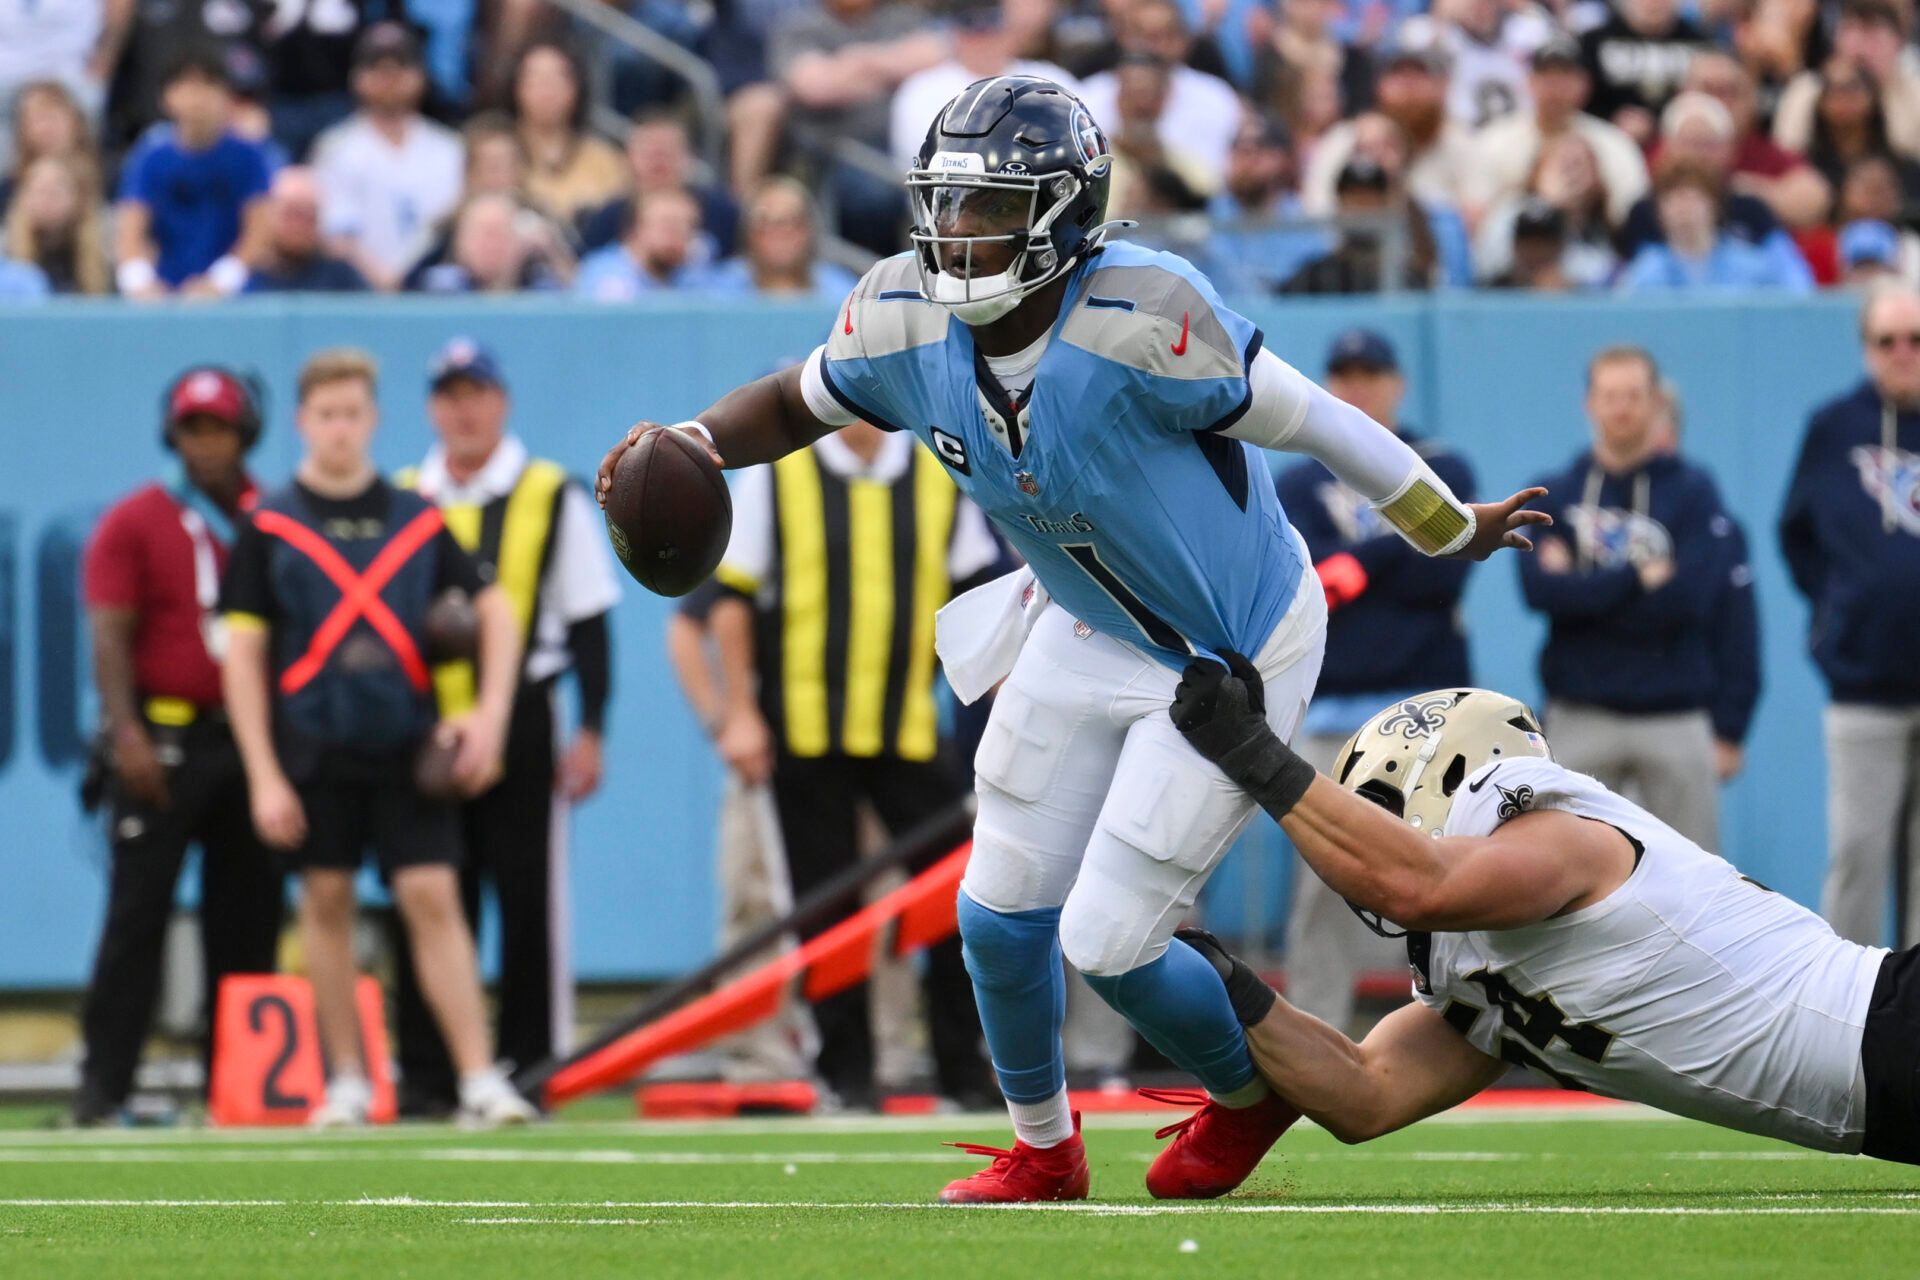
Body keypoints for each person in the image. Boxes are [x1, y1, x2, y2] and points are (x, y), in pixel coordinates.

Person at [594, 75, 1543, 1202]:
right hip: (1086, 623)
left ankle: (1253, 1094)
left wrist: (1445, 527)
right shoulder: (906, 315)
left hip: (1229, 645)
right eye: (945, 205)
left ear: (1062, 212)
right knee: (994, 911)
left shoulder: (1150, 316)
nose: (955, 234)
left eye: (987, 209)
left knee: (1109, 938)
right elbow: (799, 403)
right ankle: (1045, 1147)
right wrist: (691, 440)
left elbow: (1324, 423)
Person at [1161, 665, 1920, 1167]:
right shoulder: (1481, 976)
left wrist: (1253, 753)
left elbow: (1412, 885)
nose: (1369, 840)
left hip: (1894, 1025)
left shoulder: (1562, 840)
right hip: (1888, 1098)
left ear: (1447, 772)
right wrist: (1236, 988)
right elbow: (1366, 1092)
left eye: (1384, 810)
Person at [219, 348, 535, 1128]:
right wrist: (263, 774)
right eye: (325, 415)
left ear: (373, 420)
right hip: (312, 746)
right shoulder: (269, 524)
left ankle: (477, 1078)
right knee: (324, 899)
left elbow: (495, 611)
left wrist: (489, 716)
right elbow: (243, 653)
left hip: (405, 741)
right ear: (302, 423)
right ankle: (348, 1082)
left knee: (432, 896)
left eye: (352, 414)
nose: (339, 429)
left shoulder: (416, 515)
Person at [702, 417, 1004, 1109]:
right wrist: (741, 711)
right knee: (826, 908)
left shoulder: (938, 475)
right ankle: (847, 1075)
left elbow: (982, 595)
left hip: (908, 729)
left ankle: (963, 1067)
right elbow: (731, 600)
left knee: (958, 897)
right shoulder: (780, 477)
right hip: (804, 734)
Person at [389, 339, 621, 1115]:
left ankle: (528, 1065)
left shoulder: (548, 493)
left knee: (527, 898)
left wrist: (591, 728)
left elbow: (588, 620)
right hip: (423, 723)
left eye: (476, 392)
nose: (464, 408)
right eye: (449, 394)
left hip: (523, 713)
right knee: (423, 894)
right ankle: (425, 1074)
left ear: (503, 401)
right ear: (431, 407)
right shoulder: (400, 497)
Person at [71, 367, 285, 1126]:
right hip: (161, 738)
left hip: (249, 739)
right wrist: (124, 729)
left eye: (219, 429)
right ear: (175, 435)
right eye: (193, 429)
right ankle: (105, 1088)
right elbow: (109, 631)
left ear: (243, 434)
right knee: (137, 916)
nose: (206, 444)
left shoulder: (274, 517)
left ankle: (239, 1085)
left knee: (249, 915)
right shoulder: (135, 520)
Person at [1273, 329, 1475, 1034]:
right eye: (1344, 373)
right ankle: (1313, 1034)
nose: (1358, 385)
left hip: (1432, 707)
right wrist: (1396, 547)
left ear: (1398, 383)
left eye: (1371, 372)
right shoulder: (1297, 478)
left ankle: (1460, 1029)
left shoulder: (1441, 464)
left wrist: (1362, 564)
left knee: (1453, 874)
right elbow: (1306, 580)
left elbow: (1443, 566)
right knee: (1326, 881)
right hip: (1332, 707)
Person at [1517, 345, 1737, 851]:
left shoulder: (1695, 491)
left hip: (1675, 716)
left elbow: (1693, 599)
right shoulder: (1555, 494)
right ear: (1588, 403)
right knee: (1570, 878)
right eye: (1610, 395)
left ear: (1657, 403)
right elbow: (1541, 593)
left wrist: (1582, 590)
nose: (1622, 408)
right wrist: (1640, 577)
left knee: (1692, 883)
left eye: (1634, 396)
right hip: (1579, 715)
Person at [1780, 284, 1920, 948]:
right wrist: (1841, 609)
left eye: (1915, 340)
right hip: (1863, 686)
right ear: (1865, 348)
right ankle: (1851, 1018)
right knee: (1858, 856)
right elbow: (1796, 533)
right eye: (1886, 341)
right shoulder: (1834, 428)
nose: (1902, 354)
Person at [667, 583, 815, 1086]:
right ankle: (759, 1055)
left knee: (877, 904)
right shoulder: (768, 513)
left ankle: (886, 1054)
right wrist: (726, 719)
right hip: (771, 750)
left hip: (870, 749)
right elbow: (687, 627)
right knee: (754, 899)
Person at [309, 23, 463, 292]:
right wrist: (387, 282)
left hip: (437, 292)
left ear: (420, 76)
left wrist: (413, 278)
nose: (389, 80)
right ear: (357, 78)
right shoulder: (336, 147)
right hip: (357, 292)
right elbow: (335, 235)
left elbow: (454, 228)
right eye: (378, 70)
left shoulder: (449, 148)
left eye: (399, 69)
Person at [114, 46, 271, 300]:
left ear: (226, 96)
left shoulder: (248, 156)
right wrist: (140, 282)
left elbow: (258, 233)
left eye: (208, 85)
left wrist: (221, 282)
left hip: (236, 299)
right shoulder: (150, 157)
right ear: (166, 97)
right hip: (165, 294)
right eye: (186, 86)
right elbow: (130, 229)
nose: (197, 98)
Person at [1464, 35, 1648, 230]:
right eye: (1547, 78)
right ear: (1530, 82)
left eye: (1565, 78)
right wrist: (1536, 196)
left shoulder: (1614, 144)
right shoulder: (1495, 140)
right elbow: (1476, 221)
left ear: (1585, 85)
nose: (1556, 90)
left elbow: (1632, 216)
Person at [1301, 31, 1478, 222]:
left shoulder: (1461, 141)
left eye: (1420, 74)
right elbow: (1317, 212)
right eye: (1398, 74)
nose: (1409, 85)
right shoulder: (1347, 138)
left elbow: (1476, 218)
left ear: (1442, 87)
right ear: (1379, 86)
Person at [890, 0, 1080, 173]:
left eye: (992, 23)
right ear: (954, 33)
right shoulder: (922, 88)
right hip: (951, 192)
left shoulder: (1050, 78)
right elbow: (924, 159)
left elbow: (1085, 140)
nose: (983, 37)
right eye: (971, 25)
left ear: (1009, 28)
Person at [1080, 0, 1241, 187]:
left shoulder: (1218, 99)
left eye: (1167, 36)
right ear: (1123, 38)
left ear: (1184, 40)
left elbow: (1220, 186)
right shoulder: (1087, 101)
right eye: (1145, 37)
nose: (1156, 49)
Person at [1617, 154, 1817, 291]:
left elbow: (1797, 295)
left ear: (1714, 205)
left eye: (1693, 197)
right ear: (1659, 211)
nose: (1683, 209)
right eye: (1673, 200)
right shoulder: (1645, 270)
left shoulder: (1753, 266)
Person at [1194, 111, 1333, 295]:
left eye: (1257, 149)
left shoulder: (1303, 224)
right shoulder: (1205, 216)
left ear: (1281, 157)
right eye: (1237, 149)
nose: (1245, 161)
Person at [576, 110, 739, 259]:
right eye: (649, 152)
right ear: (628, 157)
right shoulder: (606, 219)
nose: (658, 161)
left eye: (668, 151)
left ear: (690, 158)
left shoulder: (722, 214)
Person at [1774, 0, 1920, 164]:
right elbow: (1786, 158)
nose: (1860, 48)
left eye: (1873, 36)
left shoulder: (1915, 94)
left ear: (1899, 44)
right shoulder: (1807, 90)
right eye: (1850, 31)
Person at [510, 40, 629, 225]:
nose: (546, 90)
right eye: (535, 79)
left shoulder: (604, 158)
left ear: (576, 88)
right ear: (517, 87)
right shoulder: (498, 151)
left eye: (556, 79)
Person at [1577, 0, 1711, 149]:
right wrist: (1611, 118)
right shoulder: (1593, 42)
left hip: (1679, 142)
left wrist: (1658, 122)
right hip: (1606, 140)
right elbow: (1580, 97)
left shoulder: (1702, 45)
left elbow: (1708, 101)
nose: (1654, 3)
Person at [704, 177, 858, 298]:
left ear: (810, 230)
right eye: (767, 222)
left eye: (792, 222)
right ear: (748, 233)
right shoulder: (713, 293)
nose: (781, 234)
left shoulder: (843, 293)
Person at [405, 192, 568, 294]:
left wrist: (551, 253)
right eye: (484, 233)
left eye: (501, 232)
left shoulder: (542, 293)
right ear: (460, 242)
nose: (492, 244)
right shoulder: (438, 291)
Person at [246, 166, 368, 293]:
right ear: (271, 213)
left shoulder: (340, 274)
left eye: (308, 216)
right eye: (292, 214)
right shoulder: (247, 272)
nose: (299, 226)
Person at [574, 187, 712, 299]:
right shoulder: (605, 275)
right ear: (635, 230)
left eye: (687, 227)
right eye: (668, 225)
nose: (678, 236)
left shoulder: (690, 274)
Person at [3, 151, 107, 293]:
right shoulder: (5, 252)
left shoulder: (106, 253)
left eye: (56, 191)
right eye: (40, 191)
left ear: (78, 199)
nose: (47, 200)